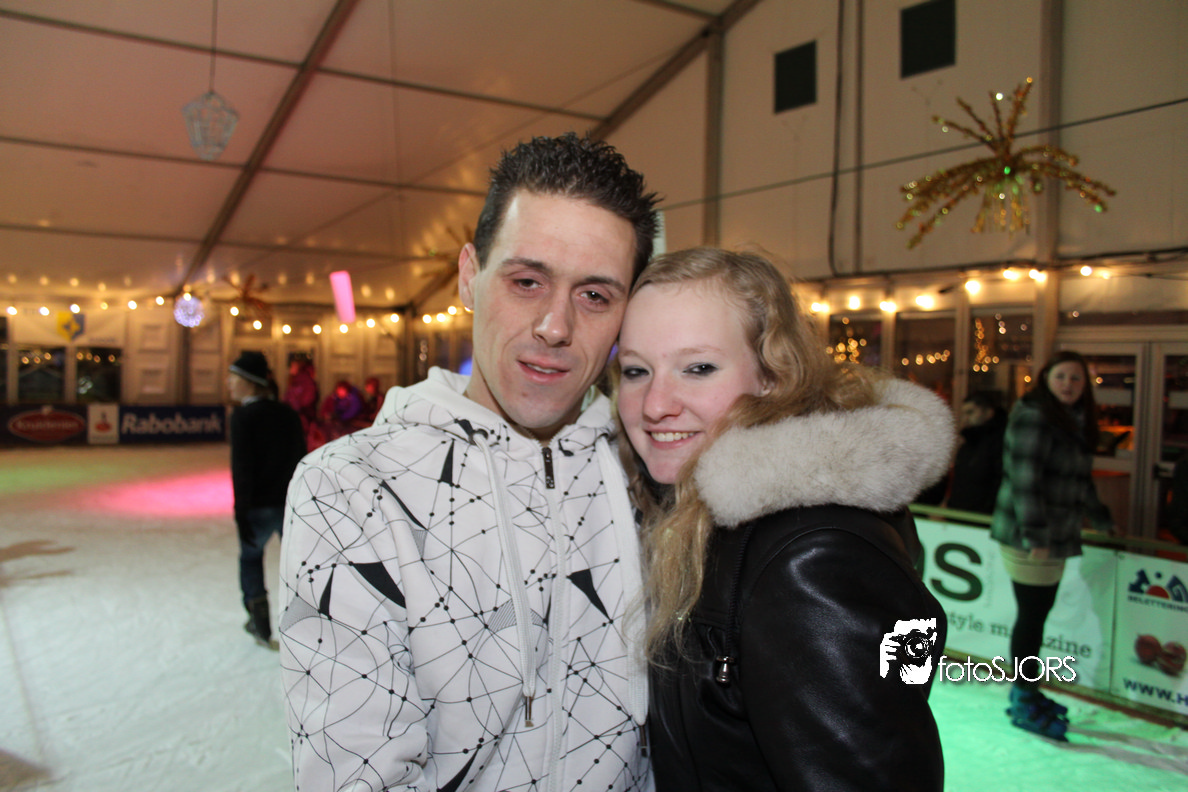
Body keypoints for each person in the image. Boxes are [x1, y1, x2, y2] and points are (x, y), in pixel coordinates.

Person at [279, 132, 659, 792]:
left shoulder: (648, 474)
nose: (555, 326)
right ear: (468, 277)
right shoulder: (349, 489)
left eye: (595, 296)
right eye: (526, 281)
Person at [613, 248, 955, 791]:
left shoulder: (809, 556)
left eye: (698, 368)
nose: (655, 404)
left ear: (774, 376)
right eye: (636, 370)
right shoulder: (695, 517)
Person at [990, 350, 1113, 740]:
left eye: (1076, 378)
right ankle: (1023, 696)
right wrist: (1036, 535)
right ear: (1046, 378)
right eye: (1061, 376)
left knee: (1037, 616)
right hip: (1030, 537)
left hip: (1054, 534)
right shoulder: (1035, 416)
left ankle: (1027, 690)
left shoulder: (1072, 419)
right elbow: (1024, 479)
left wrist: (1101, 517)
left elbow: (1080, 480)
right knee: (1031, 617)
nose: (1068, 385)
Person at [226, 351, 308, 649]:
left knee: (250, 558)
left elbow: (242, 469)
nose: (229, 384)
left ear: (249, 383)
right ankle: (309, 622)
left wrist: (241, 512)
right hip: (288, 504)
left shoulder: (243, 418)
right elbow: (301, 460)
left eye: (233, 378)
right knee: (299, 565)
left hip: (259, 506)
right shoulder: (288, 414)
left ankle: (259, 622)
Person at [946, 390, 1007, 514]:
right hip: (962, 513)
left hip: (981, 516)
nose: (965, 418)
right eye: (964, 413)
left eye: (970, 412)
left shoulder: (999, 445)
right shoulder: (969, 442)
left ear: (989, 413)